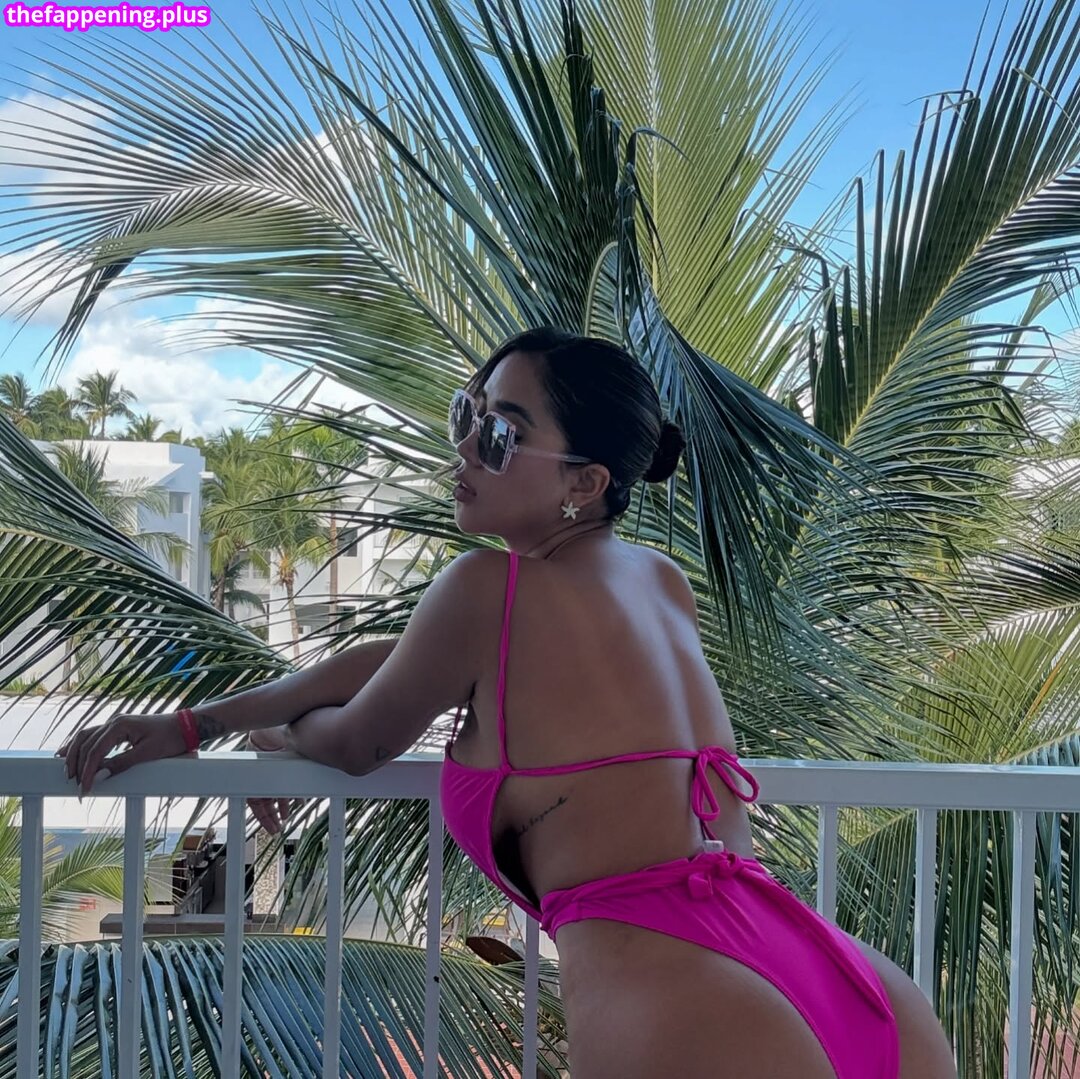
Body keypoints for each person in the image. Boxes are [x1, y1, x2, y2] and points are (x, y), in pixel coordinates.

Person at [58, 329, 957, 1078]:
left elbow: (358, 740)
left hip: (683, 1005)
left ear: (584, 481)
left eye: (498, 433)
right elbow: (400, 660)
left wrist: (275, 733)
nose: (463, 451)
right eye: (468, 415)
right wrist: (199, 722)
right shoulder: (657, 581)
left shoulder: (484, 588)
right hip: (843, 980)